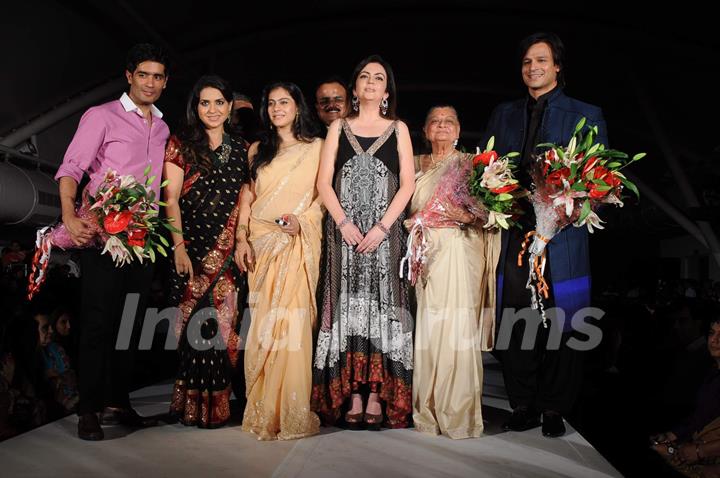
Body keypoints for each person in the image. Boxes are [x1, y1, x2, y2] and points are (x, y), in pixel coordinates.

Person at [481, 32, 608, 438]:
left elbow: (600, 180)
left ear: (557, 67)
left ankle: (554, 408)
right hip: (516, 231)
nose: (532, 68)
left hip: (563, 236)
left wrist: (567, 210)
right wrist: (492, 197)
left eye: (541, 60)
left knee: (563, 320)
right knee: (517, 319)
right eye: (526, 62)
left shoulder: (585, 112)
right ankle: (523, 403)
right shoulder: (503, 113)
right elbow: (486, 166)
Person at [54, 43, 170, 440]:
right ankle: (88, 410)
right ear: (129, 76)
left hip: (142, 239)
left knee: (131, 324)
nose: (150, 83)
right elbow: (72, 167)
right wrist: (69, 214)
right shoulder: (101, 116)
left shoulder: (163, 126)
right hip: (104, 238)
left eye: (157, 76)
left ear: (165, 81)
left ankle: (119, 401)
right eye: (143, 74)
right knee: (99, 324)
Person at [311, 55, 415, 430]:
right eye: (364, 77)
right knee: (347, 306)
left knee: (382, 307)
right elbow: (324, 182)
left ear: (386, 91)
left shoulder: (398, 128)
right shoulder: (338, 128)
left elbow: (408, 184)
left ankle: (376, 394)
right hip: (345, 239)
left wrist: (383, 228)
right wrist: (344, 223)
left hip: (384, 239)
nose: (371, 82)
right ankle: (352, 392)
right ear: (355, 89)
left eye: (379, 78)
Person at [236, 81, 323, 440]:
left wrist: (302, 222)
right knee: (263, 329)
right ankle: (262, 410)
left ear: (298, 107)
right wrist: (241, 237)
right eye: (271, 103)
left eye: (284, 102)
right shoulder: (258, 149)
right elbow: (248, 197)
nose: (277, 109)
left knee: (294, 328)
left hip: (295, 244)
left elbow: (323, 197)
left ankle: (291, 412)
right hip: (260, 244)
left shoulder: (317, 148)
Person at [163, 75, 249, 428]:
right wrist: (179, 247)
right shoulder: (180, 144)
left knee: (223, 329)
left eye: (218, 102)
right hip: (191, 251)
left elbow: (246, 198)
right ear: (195, 107)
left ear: (229, 107)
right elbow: (170, 199)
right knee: (193, 331)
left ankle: (218, 408)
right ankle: (190, 407)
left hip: (229, 255)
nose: (212, 109)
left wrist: (241, 239)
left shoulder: (244, 149)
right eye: (204, 102)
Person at [410, 105, 501, 439]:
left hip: (461, 252)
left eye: (449, 121)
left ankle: (459, 412)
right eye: (435, 121)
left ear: (460, 130)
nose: (442, 126)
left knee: (457, 329)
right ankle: (428, 409)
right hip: (423, 254)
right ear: (425, 130)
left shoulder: (472, 166)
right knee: (429, 329)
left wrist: (471, 217)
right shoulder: (414, 163)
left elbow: (496, 214)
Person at [651, 314, 720, 477]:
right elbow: (699, 417)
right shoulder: (712, 374)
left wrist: (700, 451)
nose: (714, 340)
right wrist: (671, 436)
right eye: (712, 333)